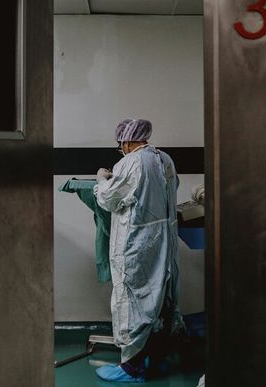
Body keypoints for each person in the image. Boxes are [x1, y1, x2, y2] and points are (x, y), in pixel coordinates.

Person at [94, 118, 184, 383]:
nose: (120, 147)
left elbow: (109, 198)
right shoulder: (165, 159)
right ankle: (155, 360)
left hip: (137, 243)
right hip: (163, 241)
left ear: (127, 140)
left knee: (133, 301)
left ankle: (132, 368)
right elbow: (172, 187)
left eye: (120, 142)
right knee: (160, 299)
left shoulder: (130, 162)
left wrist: (102, 178)